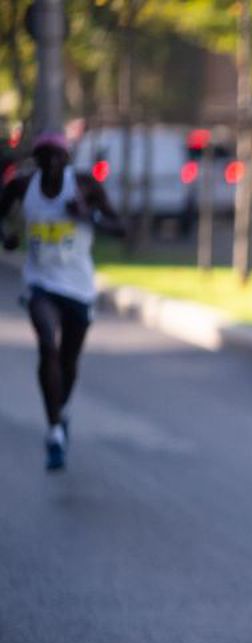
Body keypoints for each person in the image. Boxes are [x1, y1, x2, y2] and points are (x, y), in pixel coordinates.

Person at [0, 132, 123, 470]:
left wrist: (88, 215)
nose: (52, 163)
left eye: (58, 157)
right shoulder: (24, 187)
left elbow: (120, 226)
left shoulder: (83, 186)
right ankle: (54, 429)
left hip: (79, 287)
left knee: (68, 360)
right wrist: (7, 236)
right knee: (47, 345)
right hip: (40, 283)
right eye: (45, 157)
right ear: (36, 161)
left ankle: (61, 411)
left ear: (67, 160)